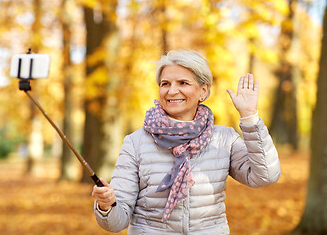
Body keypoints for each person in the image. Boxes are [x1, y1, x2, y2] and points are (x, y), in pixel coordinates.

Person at [92, 50, 280, 234]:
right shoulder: (136, 143)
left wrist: (249, 117)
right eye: (165, 83)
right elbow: (116, 223)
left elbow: (265, 176)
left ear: (203, 90)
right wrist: (107, 206)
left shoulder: (224, 139)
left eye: (183, 83)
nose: (172, 91)